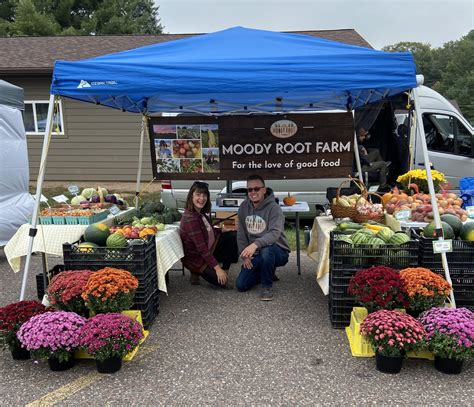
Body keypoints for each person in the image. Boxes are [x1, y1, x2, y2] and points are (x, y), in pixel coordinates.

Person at [235, 175, 290, 301]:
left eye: (256, 189)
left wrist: (254, 245)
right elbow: (241, 233)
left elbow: (274, 234)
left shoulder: (274, 208)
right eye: (250, 190)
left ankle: (267, 286)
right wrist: (244, 254)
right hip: (257, 253)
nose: (253, 192)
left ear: (264, 190)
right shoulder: (244, 207)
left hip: (278, 251)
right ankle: (267, 271)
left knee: (267, 249)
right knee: (241, 285)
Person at [179, 181, 238, 289]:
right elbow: (201, 249)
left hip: (209, 248)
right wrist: (217, 269)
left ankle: (225, 270)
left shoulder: (200, 213)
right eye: (198, 194)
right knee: (222, 283)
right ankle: (196, 271)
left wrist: (222, 230)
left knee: (232, 236)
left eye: (204, 195)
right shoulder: (190, 219)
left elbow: (209, 231)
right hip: (197, 258)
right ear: (191, 196)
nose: (202, 198)